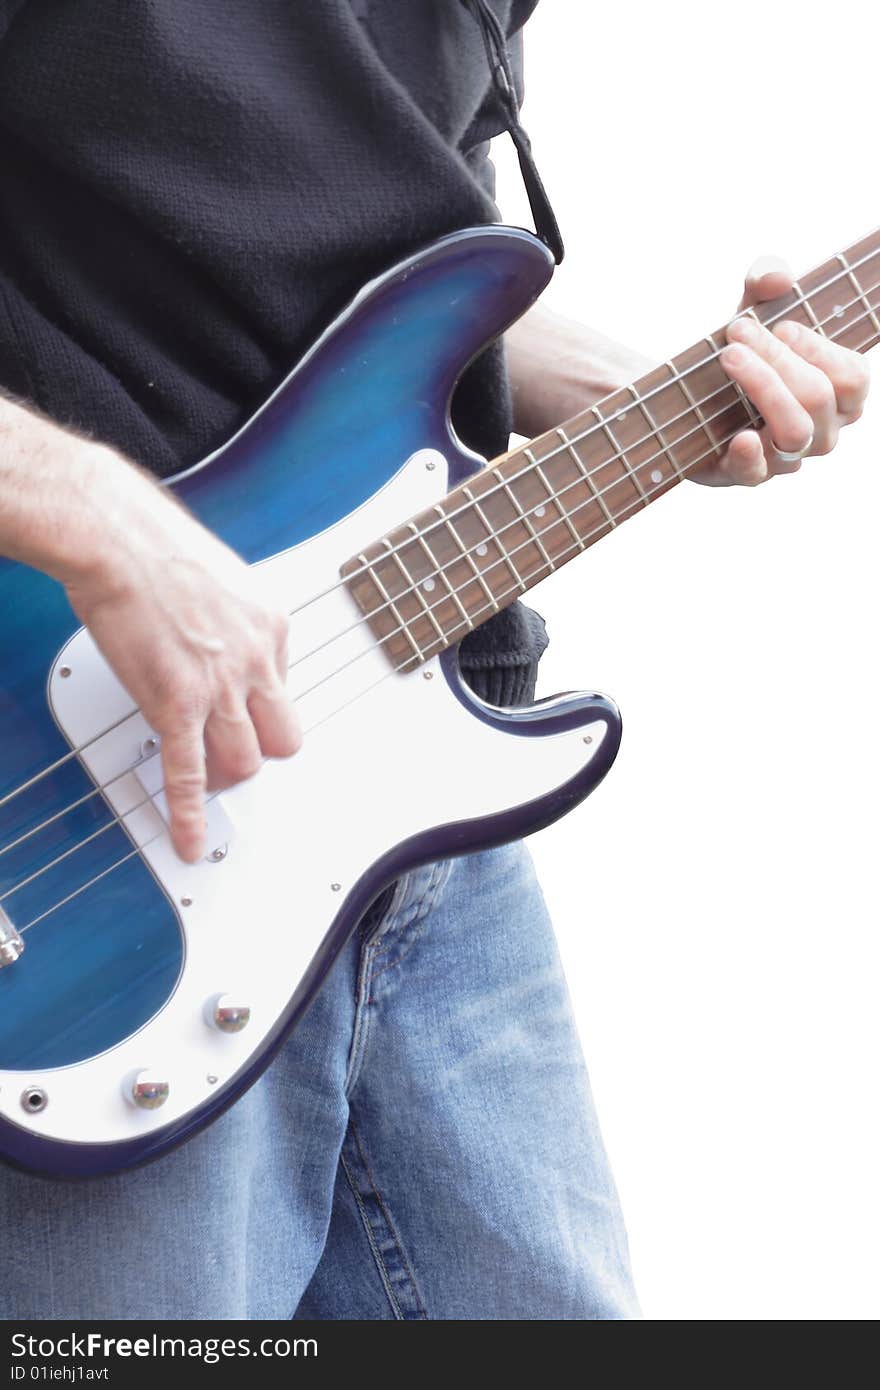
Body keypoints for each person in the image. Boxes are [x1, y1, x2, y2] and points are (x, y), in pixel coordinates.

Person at [0, 2, 869, 1321]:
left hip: (408, 804)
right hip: (93, 825)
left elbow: (363, 263)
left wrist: (662, 404)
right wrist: (98, 519)